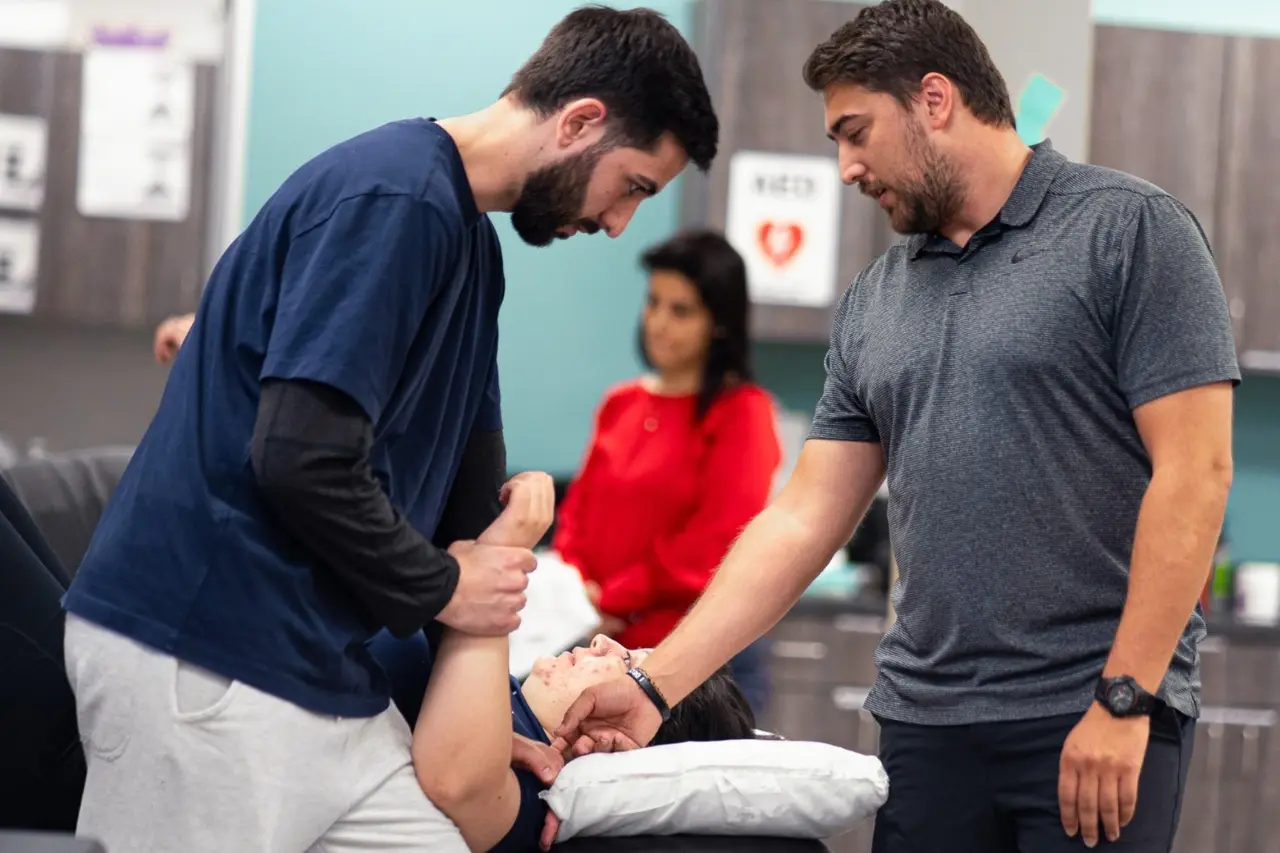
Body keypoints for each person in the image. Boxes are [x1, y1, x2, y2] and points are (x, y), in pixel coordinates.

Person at [553, 3, 1239, 853]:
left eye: (855, 132)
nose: (844, 167)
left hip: (1085, 713)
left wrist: (1125, 697)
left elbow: (1197, 473)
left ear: (935, 99)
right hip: (926, 727)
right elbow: (803, 518)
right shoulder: (875, 300)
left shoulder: (1129, 233)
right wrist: (654, 685)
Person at [60, 7, 718, 852]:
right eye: (632, 186)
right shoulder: (395, 197)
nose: (620, 223)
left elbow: (466, 509)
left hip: (325, 677)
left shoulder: (471, 255)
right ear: (581, 122)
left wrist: (483, 726)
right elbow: (300, 457)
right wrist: (445, 585)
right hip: (209, 653)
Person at [366, 470, 756, 852]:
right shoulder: (497, 704)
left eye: (629, 665)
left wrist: (502, 555)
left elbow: (458, 783)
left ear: (624, 744)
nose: (604, 642)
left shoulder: (529, 795)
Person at [551, 228, 781, 710]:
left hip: (688, 666)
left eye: (681, 310)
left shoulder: (742, 412)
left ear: (718, 322)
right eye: (653, 302)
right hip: (594, 643)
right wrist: (580, 594)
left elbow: (712, 544)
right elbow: (577, 515)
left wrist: (613, 599)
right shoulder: (621, 403)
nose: (658, 322)